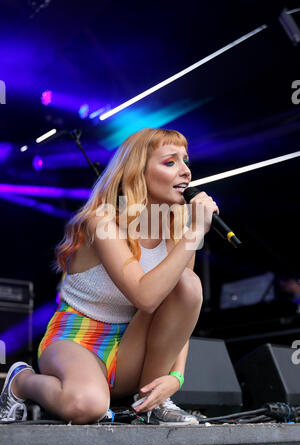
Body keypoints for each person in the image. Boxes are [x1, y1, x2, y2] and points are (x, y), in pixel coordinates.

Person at [0, 128, 219, 425]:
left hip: (133, 342)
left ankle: (153, 401)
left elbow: (181, 310)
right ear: (138, 172)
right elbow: (146, 296)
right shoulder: (101, 221)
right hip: (78, 337)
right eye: (170, 162)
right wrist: (195, 234)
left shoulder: (180, 229)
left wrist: (176, 377)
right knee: (86, 406)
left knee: (187, 284)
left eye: (186, 161)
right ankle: (21, 380)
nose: (186, 171)